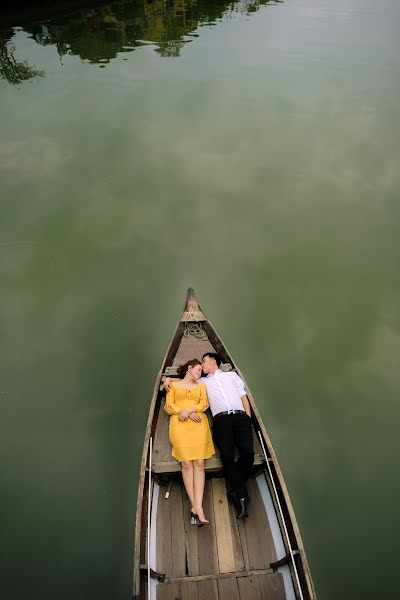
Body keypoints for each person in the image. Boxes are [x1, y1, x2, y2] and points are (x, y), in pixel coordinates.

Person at [164, 352, 254, 519]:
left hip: (240, 417)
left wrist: (248, 418)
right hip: (220, 421)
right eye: (199, 368)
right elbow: (183, 382)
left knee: (248, 454)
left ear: (212, 362)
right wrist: (167, 380)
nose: (202, 368)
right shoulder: (202, 381)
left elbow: (243, 397)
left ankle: (237, 488)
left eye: (203, 363)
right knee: (226, 457)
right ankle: (238, 494)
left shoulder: (231, 376)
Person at [164, 358, 215, 526]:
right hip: (179, 424)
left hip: (198, 425)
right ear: (189, 368)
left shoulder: (200, 386)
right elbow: (169, 407)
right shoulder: (174, 386)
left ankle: (197, 507)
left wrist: (192, 410)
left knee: (199, 463)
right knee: (186, 464)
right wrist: (184, 411)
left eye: (201, 371)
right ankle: (196, 506)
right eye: (198, 370)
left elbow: (204, 403)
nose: (199, 373)